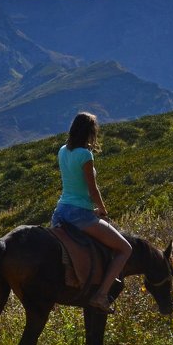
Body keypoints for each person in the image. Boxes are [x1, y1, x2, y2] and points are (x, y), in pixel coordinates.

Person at [51, 112, 132, 313]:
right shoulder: (86, 155)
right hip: (80, 213)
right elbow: (92, 188)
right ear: (90, 132)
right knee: (124, 249)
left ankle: (69, 273)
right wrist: (102, 209)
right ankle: (101, 294)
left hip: (60, 211)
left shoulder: (62, 150)